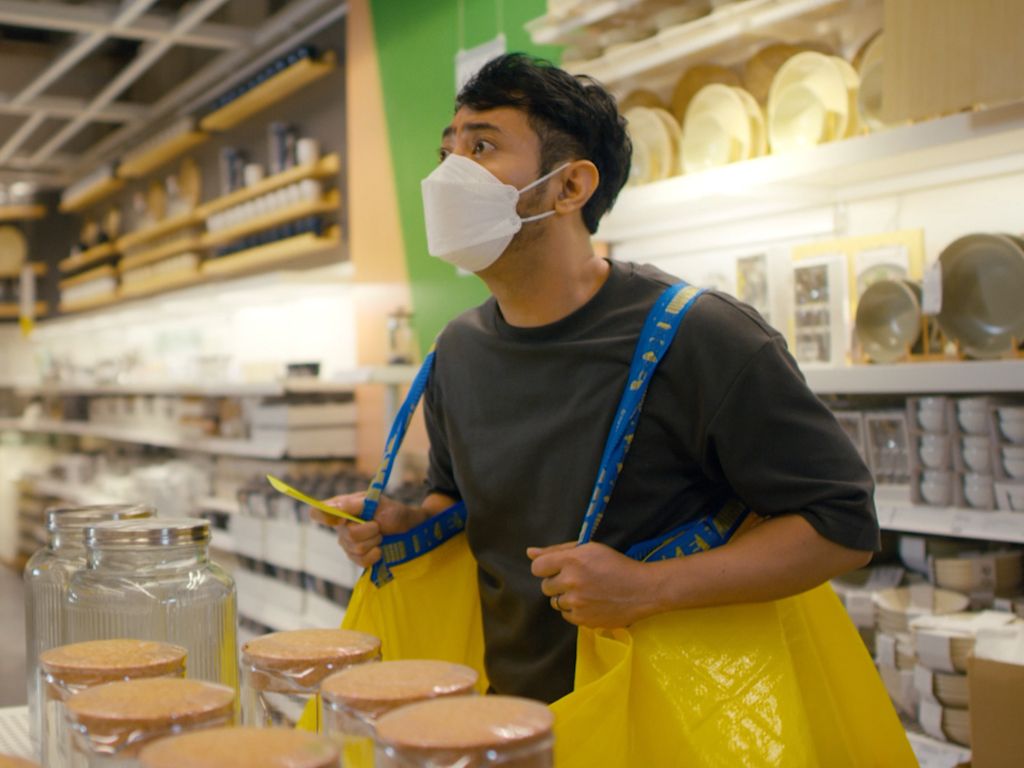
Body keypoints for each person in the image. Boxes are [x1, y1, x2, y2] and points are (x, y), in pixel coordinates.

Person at [312, 53, 877, 705]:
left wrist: (649, 588)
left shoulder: (701, 337)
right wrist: (410, 522)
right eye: (448, 151)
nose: (447, 175)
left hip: (666, 722)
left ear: (570, 186)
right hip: (511, 715)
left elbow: (841, 525)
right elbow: (459, 501)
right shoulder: (456, 351)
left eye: (481, 146)